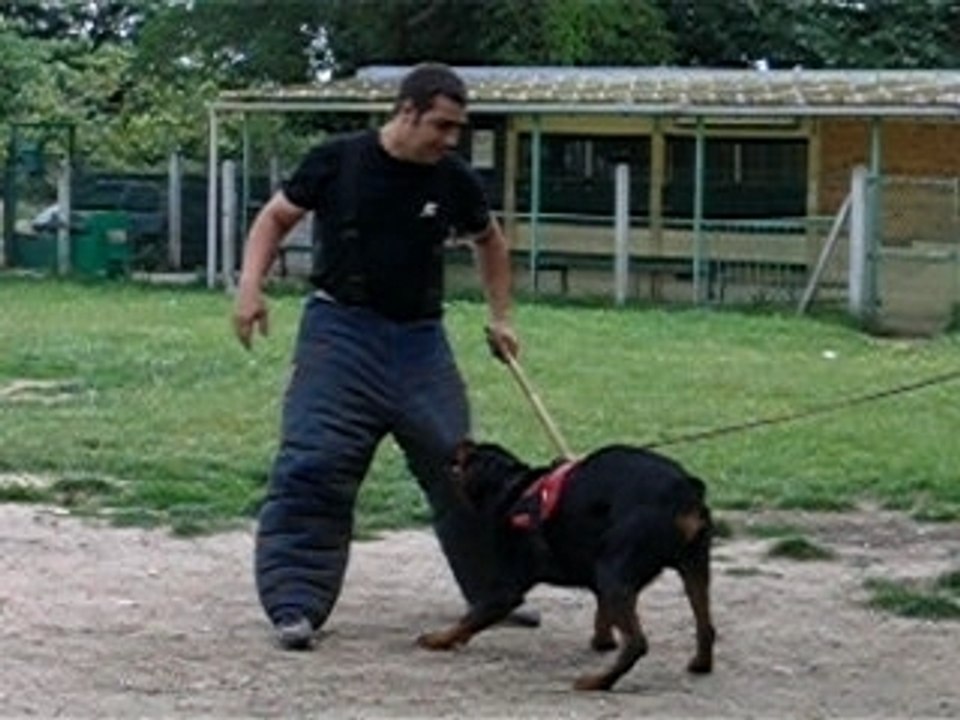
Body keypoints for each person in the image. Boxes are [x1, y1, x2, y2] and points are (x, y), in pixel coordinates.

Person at [232, 62, 536, 650]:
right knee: (314, 463)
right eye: (441, 126)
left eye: (458, 129)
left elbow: (490, 241)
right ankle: (295, 604)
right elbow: (275, 217)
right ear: (407, 111)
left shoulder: (452, 180)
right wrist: (250, 286)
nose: (451, 140)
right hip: (338, 335)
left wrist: (502, 316)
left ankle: (492, 595)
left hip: (421, 341)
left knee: (463, 472)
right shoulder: (337, 160)